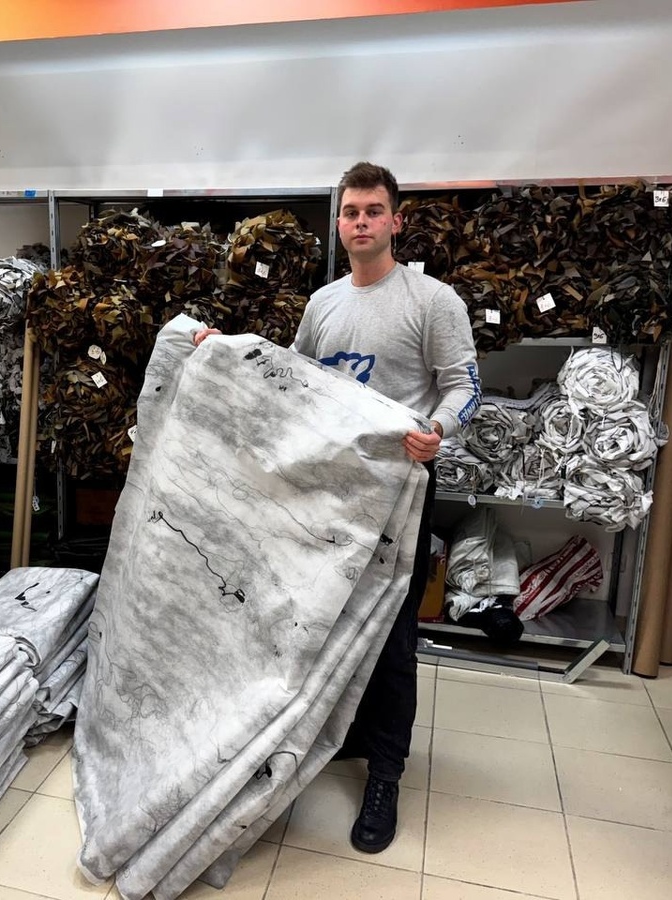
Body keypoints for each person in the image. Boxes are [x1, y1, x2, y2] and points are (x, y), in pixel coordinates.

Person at [193, 161, 480, 853]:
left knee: (393, 638)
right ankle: (342, 734)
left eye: (373, 210)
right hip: (329, 494)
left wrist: (437, 430)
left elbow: (465, 385)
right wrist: (221, 353)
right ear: (339, 224)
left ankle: (386, 773)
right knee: (323, 621)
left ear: (395, 221)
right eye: (351, 211)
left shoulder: (431, 300)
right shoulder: (323, 304)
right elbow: (289, 381)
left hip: (399, 493)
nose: (361, 222)